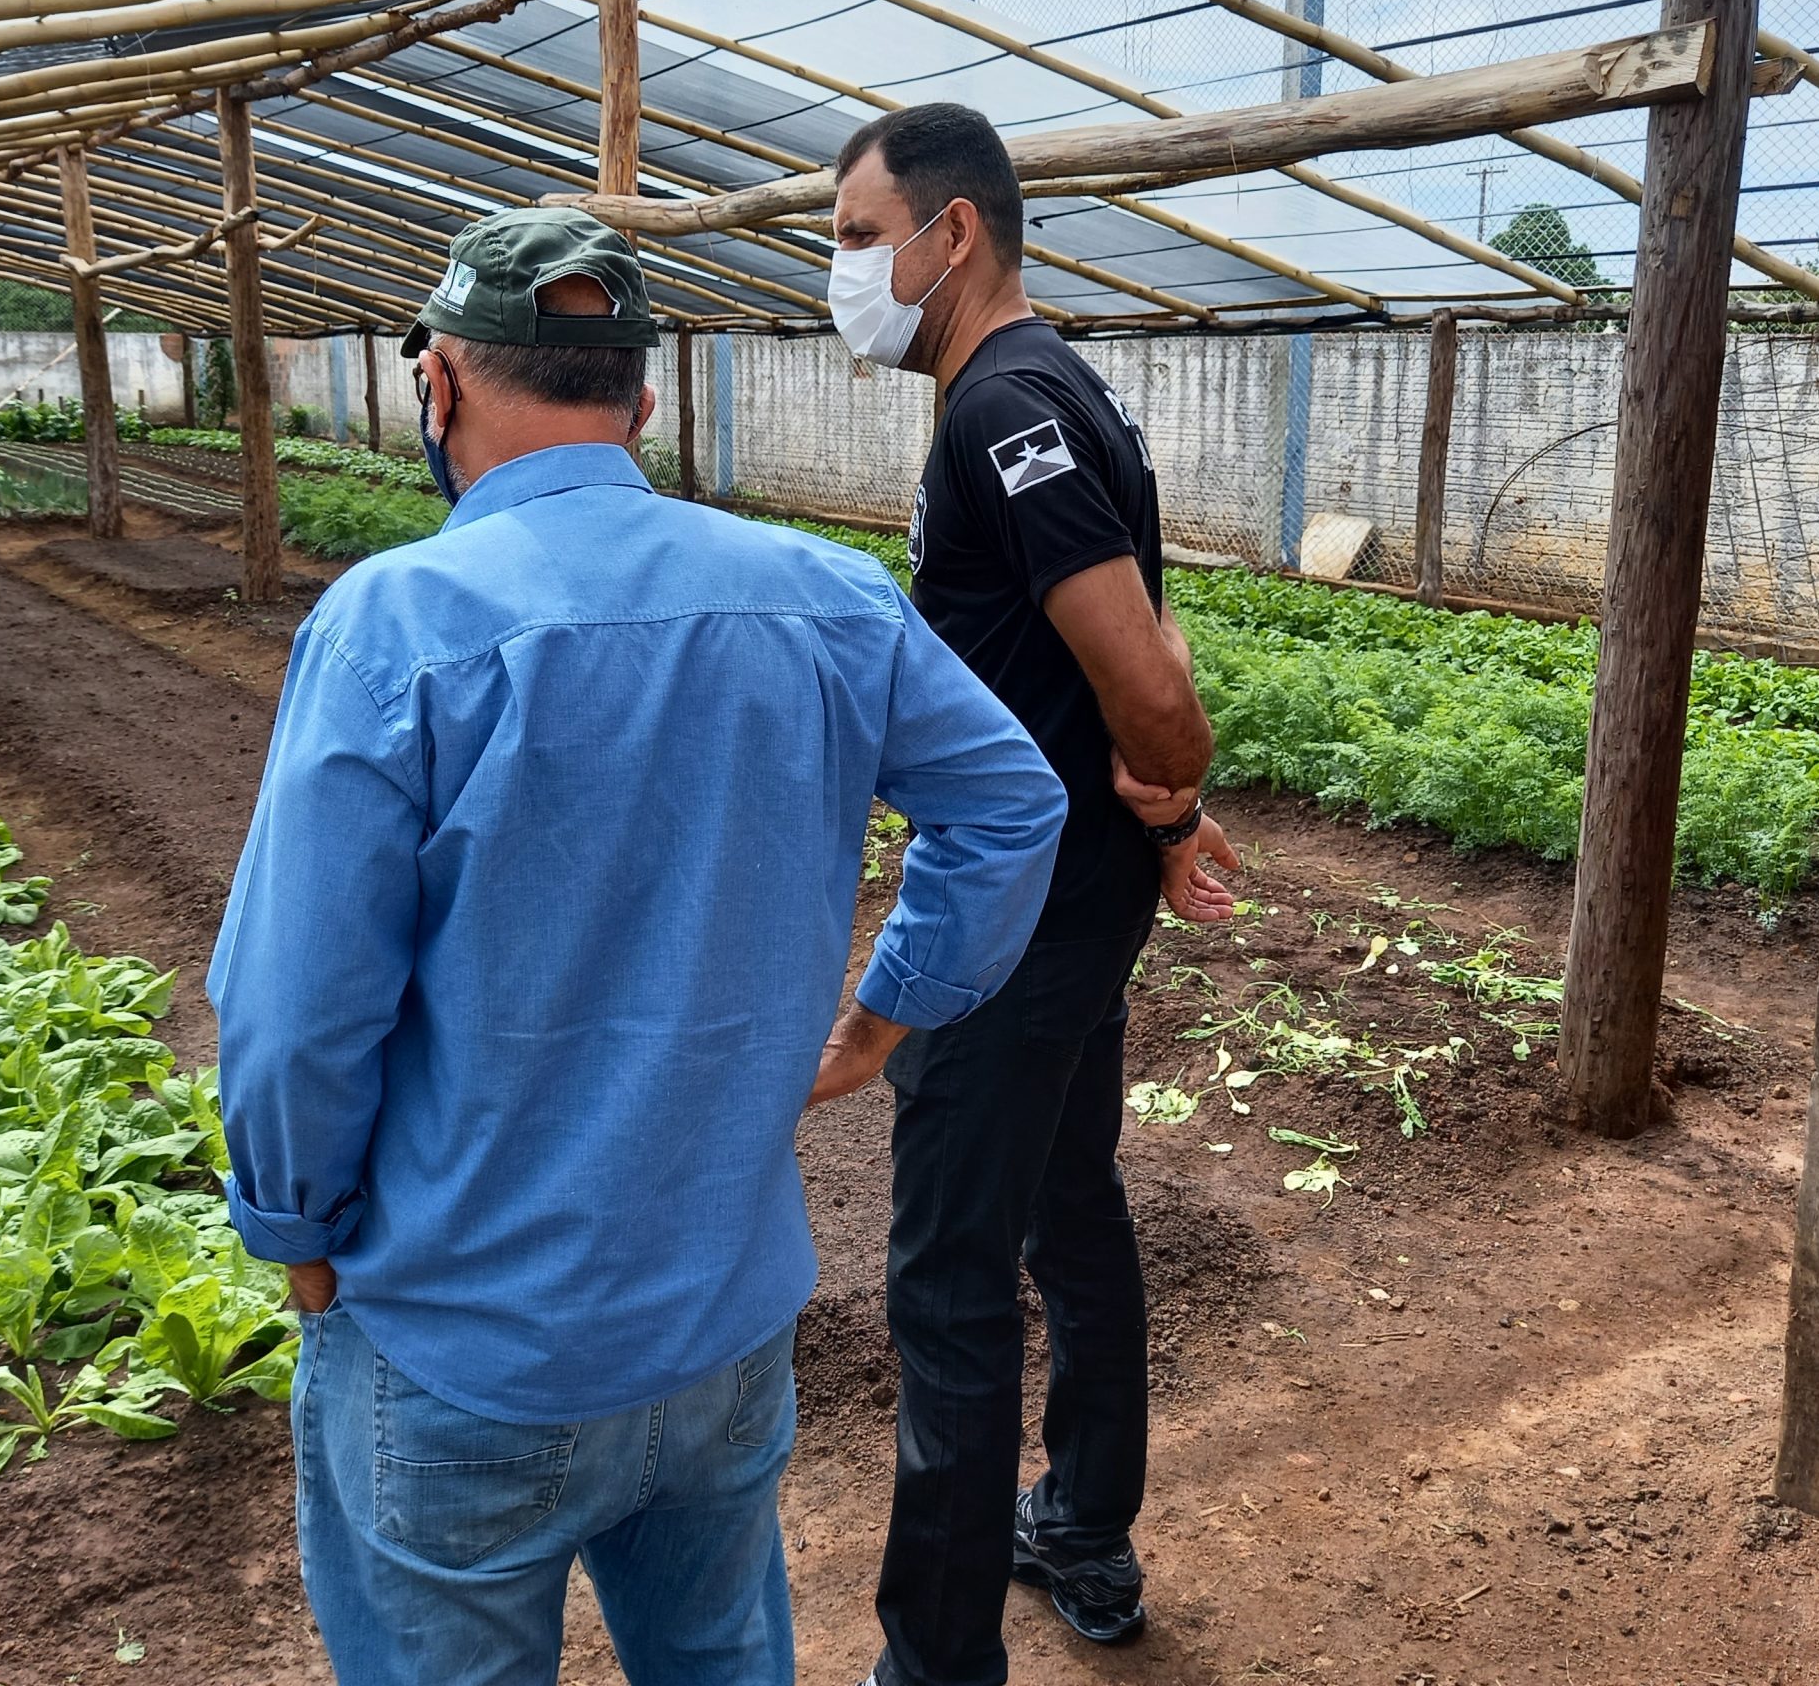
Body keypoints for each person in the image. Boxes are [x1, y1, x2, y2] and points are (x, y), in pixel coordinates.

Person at [209, 207, 1070, 1686]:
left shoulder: (393, 628)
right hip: (720, 1331)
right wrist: (884, 1017)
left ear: (438, 387)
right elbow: (1009, 803)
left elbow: (295, 1011)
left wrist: (295, 1229)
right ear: (645, 402)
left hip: (467, 1345)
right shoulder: (825, 595)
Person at [827, 104, 1240, 1686]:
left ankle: (937, 1664)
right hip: (1071, 893)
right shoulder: (1052, 384)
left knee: (949, 1274)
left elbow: (1149, 679)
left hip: (1016, 912)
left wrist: (1173, 788)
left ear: (955, 235)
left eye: (861, 237)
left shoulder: (1005, 405)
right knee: (1070, 1200)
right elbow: (1133, 631)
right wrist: (1154, 814)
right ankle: (1080, 1525)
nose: (844, 271)